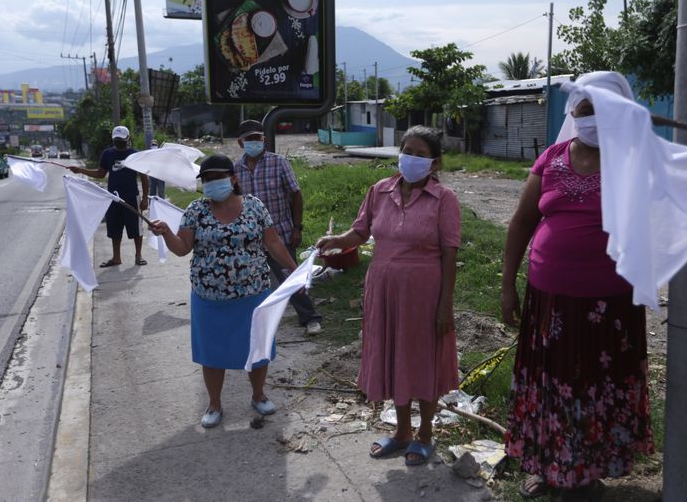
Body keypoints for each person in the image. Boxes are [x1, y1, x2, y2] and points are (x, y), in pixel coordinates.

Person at [501, 72, 653, 501]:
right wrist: (507, 285)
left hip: (610, 305)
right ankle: (547, 468)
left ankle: (587, 473)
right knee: (550, 383)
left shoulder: (632, 161)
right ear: (573, 109)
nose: (591, 117)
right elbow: (521, 223)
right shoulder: (551, 159)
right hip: (549, 301)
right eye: (586, 108)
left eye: (604, 110)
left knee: (595, 386)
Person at [316, 125, 461, 466]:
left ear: (435, 163)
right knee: (393, 356)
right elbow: (361, 231)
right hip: (382, 290)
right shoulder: (379, 191)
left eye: (420, 155)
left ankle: (425, 434)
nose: (410, 159)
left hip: (424, 294)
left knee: (422, 359)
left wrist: (445, 306)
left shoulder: (445, 199)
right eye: (406, 151)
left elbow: (449, 254)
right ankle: (402, 432)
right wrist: (336, 240)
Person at [150, 154, 298, 428]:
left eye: (218, 177)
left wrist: (293, 270)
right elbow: (183, 248)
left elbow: (273, 242)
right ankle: (214, 404)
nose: (212, 183)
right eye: (207, 179)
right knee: (212, 353)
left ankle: (258, 395)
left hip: (253, 294)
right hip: (210, 297)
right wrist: (167, 233)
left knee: (258, 349)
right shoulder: (195, 211)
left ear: (233, 178)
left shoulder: (255, 207)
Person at [233, 119, 323, 335]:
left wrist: (297, 228)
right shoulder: (235, 169)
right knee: (246, 282)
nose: (255, 142)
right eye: (250, 139)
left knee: (290, 277)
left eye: (258, 138)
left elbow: (296, 194)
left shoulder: (278, 163)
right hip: (249, 239)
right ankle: (251, 322)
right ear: (240, 142)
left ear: (264, 139)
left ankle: (309, 318)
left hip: (280, 234)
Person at [69, 125, 149, 267]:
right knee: (114, 228)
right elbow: (101, 173)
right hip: (112, 197)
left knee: (136, 228)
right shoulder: (107, 154)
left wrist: (144, 199)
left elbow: (144, 177)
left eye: (121, 140)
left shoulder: (135, 155)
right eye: (117, 140)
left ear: (128, 139)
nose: (119, 142)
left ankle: (138, 256)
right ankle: (116, 258)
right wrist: (80, 170)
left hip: (132, 197)